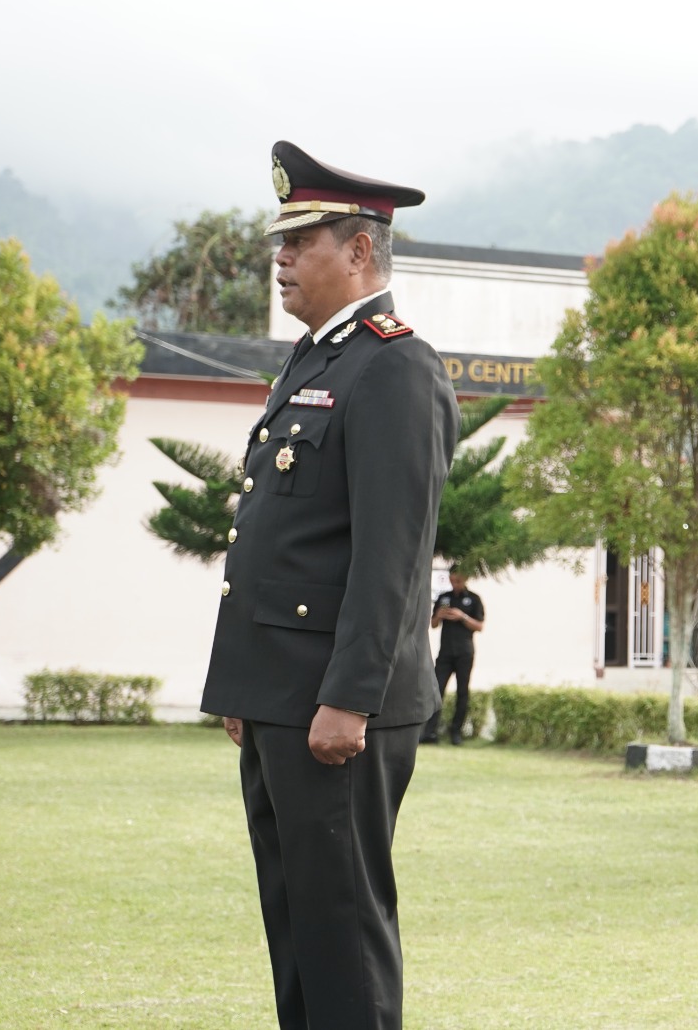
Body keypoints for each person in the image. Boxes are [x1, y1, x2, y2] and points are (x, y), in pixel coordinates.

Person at [201, 141, 458, 1030]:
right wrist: (247, 688)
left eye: (297, 241)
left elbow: (393, 556)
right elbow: (280, 542)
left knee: (342, 931)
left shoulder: (393, 366)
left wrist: (346, 699)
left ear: (358, 251)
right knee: (298, 927)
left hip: (338, 711)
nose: (279, 258)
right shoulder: (313, 363)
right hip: (281, 697)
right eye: (279, 242)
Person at [422, 568, 484, 745]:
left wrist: (462, 616)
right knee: (436, 691)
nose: (454, 583)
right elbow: (433, 625)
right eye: (452, 580)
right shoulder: (444, 598)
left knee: (462, 692)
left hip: (465, 652)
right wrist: (439, 616)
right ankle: (430, 732)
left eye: (457, 580)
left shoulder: (474, 599)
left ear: (465, 578)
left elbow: (479, 626)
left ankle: (456, 733)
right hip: (445, 653)